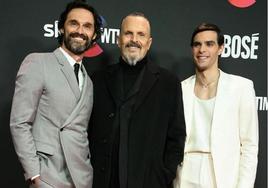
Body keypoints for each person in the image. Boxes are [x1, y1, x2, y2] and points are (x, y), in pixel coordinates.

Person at [9, 0, 102, 187]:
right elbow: (19, 123)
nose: (80, 31)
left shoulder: (89, 82)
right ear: (61, 28)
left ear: (94, 35)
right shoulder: (38, 63)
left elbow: (80, 132)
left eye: (87, 26)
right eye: (73, 23)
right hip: (47, 176)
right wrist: (34, 174)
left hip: (81, 178)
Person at [88, 12, 186, 188]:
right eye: (128, 33)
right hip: (103, 181)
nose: (134, 39)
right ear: (119, 40)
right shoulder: (98, 79)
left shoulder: (168, 83)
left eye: (141, 35)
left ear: (148, 43)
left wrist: (163, 176)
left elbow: (176, 137)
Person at [173, 23, 259, 188]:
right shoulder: (180, 89)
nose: (202, 50)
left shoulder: (241, 88)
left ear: (221, 48)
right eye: (197, 44)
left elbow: (249, 146)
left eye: (209, 44)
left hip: (221, 175)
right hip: (185, 174)